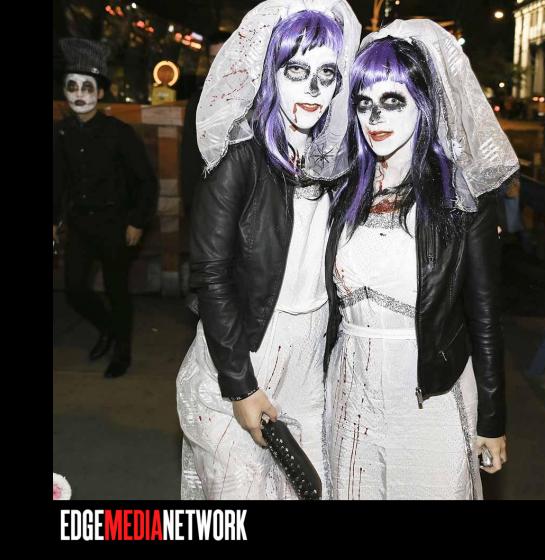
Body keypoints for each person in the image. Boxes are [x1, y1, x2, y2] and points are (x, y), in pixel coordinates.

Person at [323, 20, 519, 499]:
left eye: (393, 100)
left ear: (424, 104)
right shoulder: (345, 188)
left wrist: (492, 419)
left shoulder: (460, 197)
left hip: (428, 396)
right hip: (349, 391)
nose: (375, 117)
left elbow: (485, 316)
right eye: (364, 102)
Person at [176, 0, 360, 500]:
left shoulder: (339, 165)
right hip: (244, 350)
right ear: (271, 73)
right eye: (297, 70)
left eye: (327, 74)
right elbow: (210, 274)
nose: (313, 89)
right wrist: (240, 384)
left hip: (310, 358)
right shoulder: (240, 158)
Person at [53, 38, 158, 378]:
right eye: (72, 86)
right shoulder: (61, 133)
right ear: (65, 92)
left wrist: (137, 221)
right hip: (80, 224)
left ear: (99, 93)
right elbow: (57, 181)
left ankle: (122, 351)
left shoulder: (118, 133)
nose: (79, 94)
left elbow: (146, 181)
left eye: (87, 87)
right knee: (74, 289)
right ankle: (110, 328)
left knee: (116, 290)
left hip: (116, 224)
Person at [180, 31, 232, 218]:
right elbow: (190, 156)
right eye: (213, 58)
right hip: (209, 202)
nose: (218, 63)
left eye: (223, 56)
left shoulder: (258, 97)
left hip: (248, 203)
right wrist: (191, 204)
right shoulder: (198, 101)